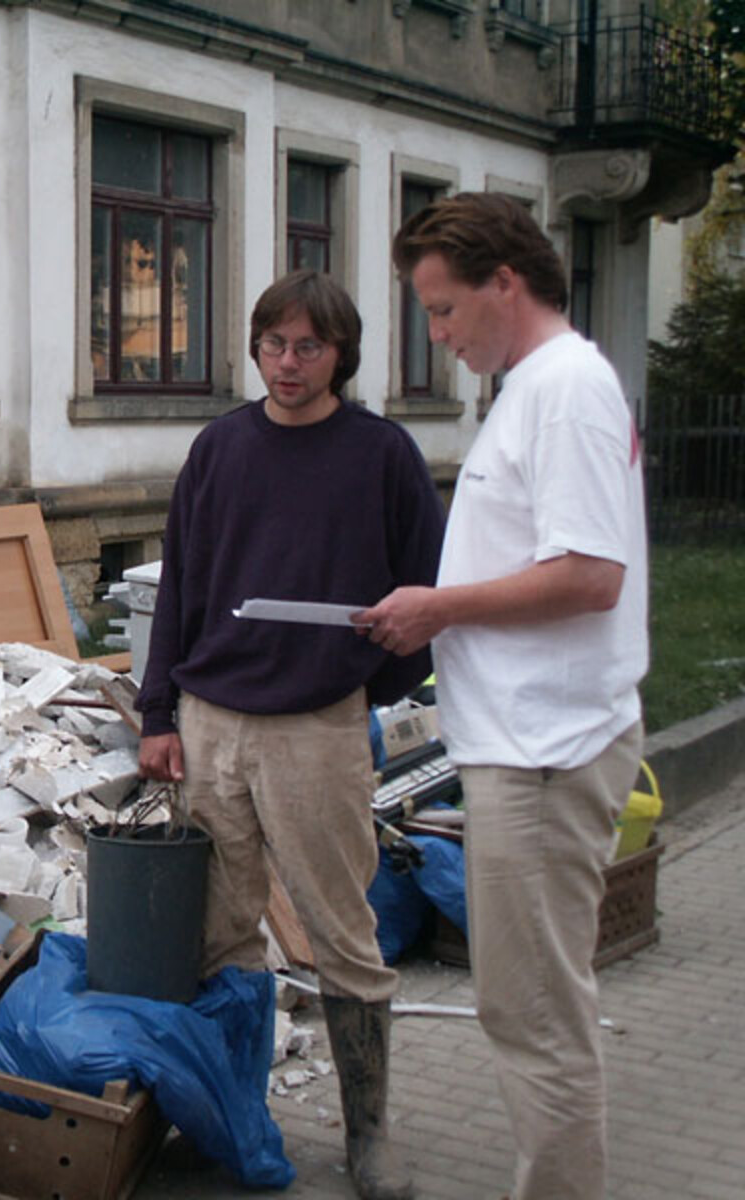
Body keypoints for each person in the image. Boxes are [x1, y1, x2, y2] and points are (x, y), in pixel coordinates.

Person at [357, 193, 646, 1200]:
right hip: (527, 743)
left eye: (443, 310)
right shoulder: (536, 387)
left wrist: (440, 608)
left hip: (548, 750)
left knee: (533, 1014)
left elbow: (589, 575)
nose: (435, 335)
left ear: (504, 283)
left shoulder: (564, 387)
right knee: (525, 1008)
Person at [137, 270, 444, 1200]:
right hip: (214, 724)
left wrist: (360, 688)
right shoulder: (221, 448)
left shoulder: (382, 456)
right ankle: (231, 1117)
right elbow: (181, 588)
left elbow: (420, 596)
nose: (288, 364)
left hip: (317, 731)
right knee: (222, 937)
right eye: (273, 344)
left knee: (341, 931)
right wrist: (158, 714)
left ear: (341, 352)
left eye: (308, 347)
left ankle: (369, 1139)